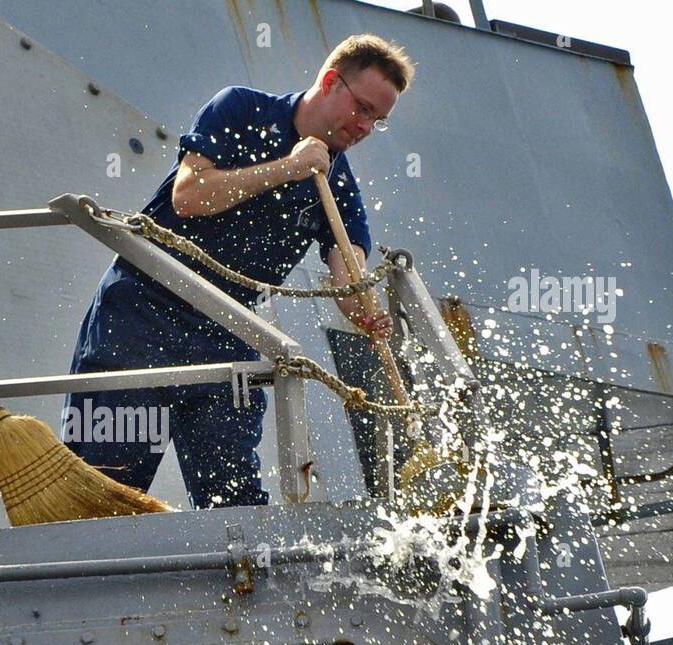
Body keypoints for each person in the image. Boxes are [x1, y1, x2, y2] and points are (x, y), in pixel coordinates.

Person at [62, 34, 414, 508]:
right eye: (364, 108)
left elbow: (348, 276)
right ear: (332, 82)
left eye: (378, 119)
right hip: (144, 315)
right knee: (103, 484)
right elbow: (188, 197)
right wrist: (288, 168)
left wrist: (366, 312)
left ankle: (242, 579)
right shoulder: (240, 109)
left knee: (235, 499)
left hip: (230, 330)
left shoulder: (339, 183)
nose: (367, 126)